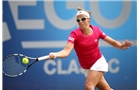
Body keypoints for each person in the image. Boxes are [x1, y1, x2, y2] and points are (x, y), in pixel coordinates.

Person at [48, 7, 133, 90]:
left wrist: (121, 46)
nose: (80, 22)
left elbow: (113, 42)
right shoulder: (74, 34)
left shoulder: (97, 30)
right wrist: (55, 55)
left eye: (83, 19)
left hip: (99, 62)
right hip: (86, 68)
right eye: (78, 20)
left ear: (89, 19)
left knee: (89, 86)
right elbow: (66, 51)